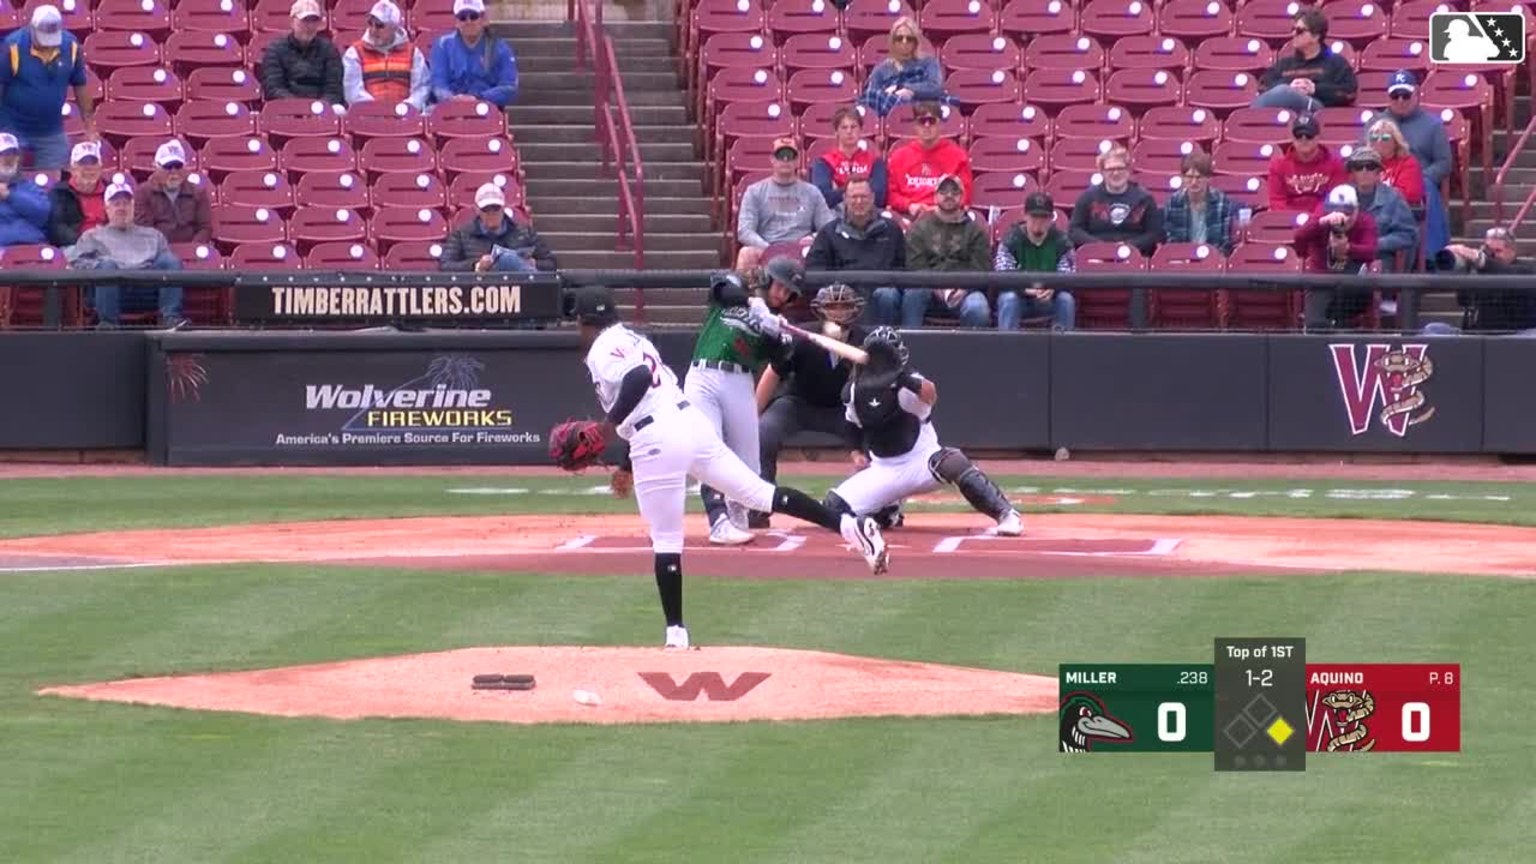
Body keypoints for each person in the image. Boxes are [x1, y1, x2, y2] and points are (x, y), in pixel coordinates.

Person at [570, 284, 888, 647]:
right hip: (689, 422)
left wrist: (605, 429)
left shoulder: (600, 349)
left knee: (667, 539)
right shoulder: (635, 339)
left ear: (583, 321)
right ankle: (851, 527)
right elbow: (651, 390)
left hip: (657, 439)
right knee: (757, 493)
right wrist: (624, 458)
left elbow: (639, 382)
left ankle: (676, 634)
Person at [823, 327, 1023, 536]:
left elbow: (930, 394)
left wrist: (899, 378)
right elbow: (851, 425)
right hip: (883, 470)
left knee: (954, 461)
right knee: (832, 508)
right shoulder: (854, 392)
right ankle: (887, 511)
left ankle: (1006, 514)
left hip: (921, 461)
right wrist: (856, 453)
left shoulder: (910, 384)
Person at [683, 262, 802, 545]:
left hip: (739, 381)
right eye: (780, 285)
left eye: (788, 292)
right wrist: (753, 304)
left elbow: (782, 364)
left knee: (749, 463)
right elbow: (721, 291)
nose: (782, 294)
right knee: (707, 448)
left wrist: (777, 336)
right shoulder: (735, 286)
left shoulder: (774, 322)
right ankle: (718, 520)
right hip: (704, 374)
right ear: (767, 278)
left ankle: (737, 516)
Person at [755, 283, 869, 529]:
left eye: (844, 306)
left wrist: (858, 446)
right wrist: (753, 415)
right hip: (798, 403)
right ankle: (759, 504)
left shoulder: (864, 341)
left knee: (877, 437)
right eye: (832, 307)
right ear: (820, 310)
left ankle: (875, 506)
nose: (838, 312)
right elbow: (773, 372)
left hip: (843, 410)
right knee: (764, 432)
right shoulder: (803, 338)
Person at [68, 181, 185, 329]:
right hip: (110, 289)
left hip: (146, 289)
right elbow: (76, 263)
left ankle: (171, 318)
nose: (122, 208)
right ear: (107, 208)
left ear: (133, 206)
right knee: (107, 266)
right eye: (116, 204)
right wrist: (101, 265)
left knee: (170, 260)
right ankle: (108, 323)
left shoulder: (153, 235)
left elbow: (167, 266)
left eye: (126, 203)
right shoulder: (92, 236)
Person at [0, 5, 96, 171]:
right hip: (13, 129)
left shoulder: (71, 46)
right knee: (9, 181)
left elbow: (80, 85)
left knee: (54, 183)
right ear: (32, 28)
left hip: (51, 130)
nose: (48, 44)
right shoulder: (12, 47)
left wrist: (89, 126)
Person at [805, 177, 905, 325]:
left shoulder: (892, 230)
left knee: (887, 295)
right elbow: (814, 269)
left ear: (872, 198)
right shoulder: (829, 232)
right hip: (843, 298)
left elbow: (903, 267)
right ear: (845, 199)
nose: (859, 202)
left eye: (863, 196)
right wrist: (837, 290)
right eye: (854, 197)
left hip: (883, 296)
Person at [897, 174, 992, 328]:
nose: (949, 196)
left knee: (978, 307)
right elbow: (915, 266)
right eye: (943, 192)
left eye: (955, 192)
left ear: (962, 197)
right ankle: (908, 348)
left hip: (964, 291)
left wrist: (964, 289)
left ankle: (972, 351)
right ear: (935, 197)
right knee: (914, 294)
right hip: (928, 289)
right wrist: (936, 288)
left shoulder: (975, 231)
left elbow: (981, 268)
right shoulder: (920, 228)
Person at [734, 136, 835, 271]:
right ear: (772, 159)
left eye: (790, 156)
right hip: (766, 247)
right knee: (746, 254)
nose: (786, 160)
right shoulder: (754, 191)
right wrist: (769, 248)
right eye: (781, 156)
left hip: (802, 250)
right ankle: (749, 293)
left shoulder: (812, 192)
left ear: (798, 160)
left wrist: (812, 238)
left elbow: (828, 227)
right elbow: (744, 231)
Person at [1295, 184, 1378, 331]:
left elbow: (1371, 251)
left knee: (1356, 298)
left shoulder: (1365, 221)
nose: (1343, 217)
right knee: (1316, 324)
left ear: (1357, 208)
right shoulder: (1322, 217)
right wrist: (1322, 222)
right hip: (1321, 278)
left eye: (1348, 212)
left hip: (1352, 281)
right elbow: (1299, 237)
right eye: (1337, 211)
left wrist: (1348, 248)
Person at [994, 192, 1077, 331]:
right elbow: (1002, 276)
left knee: (1066, 299)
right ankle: (1007, 348)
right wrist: (1026, 289)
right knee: (1008, 298)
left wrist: (1052, 289)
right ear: (1025, 215)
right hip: (1020, 299)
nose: (1039, 221)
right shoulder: (1010, 240)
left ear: (1051, 218)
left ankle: (1064, 349)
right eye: (1034, 216)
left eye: (1044, 217)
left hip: (1049, 299)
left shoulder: (1062, 242)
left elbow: (1067, 276)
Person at [1428, 228, 1536, 333]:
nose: (1493, 256)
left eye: (1498, 251)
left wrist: (1481, 259)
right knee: (1433, 328)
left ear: (1512, 250)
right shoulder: (1482, 271)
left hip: (1515, 335)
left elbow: (1506, 273)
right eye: (1489, 251)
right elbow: (1463, 300)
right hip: (1478, 334)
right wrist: (1467, 269)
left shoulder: (1526, 270)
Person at [1252, 7, 1357, 113]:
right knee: (1282, 91)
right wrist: (1290, 85)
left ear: (1315, 36)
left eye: (1299, 31)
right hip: (1282, 117)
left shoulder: (1336, 62)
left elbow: (1349, 93)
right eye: (1293, 29)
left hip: (1319, 115)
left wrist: (1314, 89)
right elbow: (1263, 87)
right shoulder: (1284, 64)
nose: (1293, 34)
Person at [439, 182, 556, 272]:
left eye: (495, 208)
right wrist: (476, 266)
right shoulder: (461, 235)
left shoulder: (525, 232)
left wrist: (532, 263)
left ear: (503, 207)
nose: (491, 214)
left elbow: (551, 263)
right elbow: (445, 266)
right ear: (477, 210)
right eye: (486, 210)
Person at [885, 101, 971, 220]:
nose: (927, 126)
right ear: (915, 125)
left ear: (940, 124)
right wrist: (909, 206)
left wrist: (941, 207)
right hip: (908, 215)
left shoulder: (958, 156)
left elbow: (964, 194)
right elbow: (891, 194)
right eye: (922, 121)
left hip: (946, 216)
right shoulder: (898, 157)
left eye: (931, 121)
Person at [342, 0, 431, 113]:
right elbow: (352, 91)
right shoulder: (355, 52)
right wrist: (376, 109)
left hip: (405, 114)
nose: (373, 30)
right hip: (367, 114)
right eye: (370, 23)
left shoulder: (413, 52)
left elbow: (421, 89)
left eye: (380, 26)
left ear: (394, 27)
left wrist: (405, 108)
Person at [430, 0, 520, 108]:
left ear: (482, 19)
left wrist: (478, 98)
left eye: (473, 16)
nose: (468, 21)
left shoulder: (500, 48)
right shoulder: (442, 45)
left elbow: (509, 86)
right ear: (456, 22)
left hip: (487, 108)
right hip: (450, 108)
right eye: (462, 17)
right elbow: (438, 84)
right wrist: (453, 99)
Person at [1344, 147, 1416, 272]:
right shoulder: (1341, 195)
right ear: (1353, 172)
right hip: (1345, 257)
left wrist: (1375, 244)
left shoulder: (1393, 197)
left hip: (1379, 257)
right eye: (1359, 167)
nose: (1364, 171)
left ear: (1378, 172)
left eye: (1370, 167)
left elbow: (1407, 235)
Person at [260, 0, 346, 105]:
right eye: (305, 21)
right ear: (292, 22)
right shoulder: (275, 50)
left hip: (322, 109)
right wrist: (299, 107)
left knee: (338, 110)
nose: (310, 26)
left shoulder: (329, 50)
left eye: (314, 21)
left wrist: (319, 107)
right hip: (287, 109)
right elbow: (273, 88)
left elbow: (333, 89)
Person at [858, 17, 944, 117]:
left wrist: (907, 89)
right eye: (899, 38)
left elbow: (935, 88)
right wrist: (892, 94)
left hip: (921, 108)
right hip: (890, 110)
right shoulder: (881, 69)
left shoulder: (929, 62)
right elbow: (872, 97)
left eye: (909, 39)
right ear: (893, 42)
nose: (904, 42)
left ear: (916, 42)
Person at [133, 141, 214, 245]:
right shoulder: (143, 193)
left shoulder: (198, 192)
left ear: (185, 167)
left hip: (191, 253)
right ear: (156, 167)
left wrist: (192, 249)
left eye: (178, 166)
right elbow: (144, 229)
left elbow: (205, 228)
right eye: (168, 166)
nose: (173, 171)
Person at [809, 106, 887, 210]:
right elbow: (823, 198)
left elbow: (880, 197)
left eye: (853, 127)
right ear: (836, 132)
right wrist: (865, 189)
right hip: (835, 214)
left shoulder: (874, 161)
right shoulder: (824, 163)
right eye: (844, 127)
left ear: (861, 130)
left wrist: (839, 189)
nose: (849, 131)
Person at [1266, 113, 1347, 214]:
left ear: (1318, 137)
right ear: (1292, 138)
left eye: (1309, 136)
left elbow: (1334, 198)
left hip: (1323, 220)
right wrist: (1292, 219)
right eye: (1298, 135)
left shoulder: (1335, 164)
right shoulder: (1278, 165)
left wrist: (1313, 220)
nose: (1303, 139)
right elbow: (1277, 200)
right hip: (1287, 222)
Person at [1161, 152, 1235, 255]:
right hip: (1182, 261)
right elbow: (1170, 239)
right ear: (1183, 178)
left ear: (1208, 178)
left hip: (1213, 260)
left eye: (1199, 177)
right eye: (1189, 177)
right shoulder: (1174, 202)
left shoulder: (1221, 202)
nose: (1194, 182)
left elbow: (1225, 242)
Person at [45, 140, 106, 247]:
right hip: (74, 247)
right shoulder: (59, 193)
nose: (88, 169)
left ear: (100, 168)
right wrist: (84, 242)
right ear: (72, 169)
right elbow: (57, 229)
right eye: (82, 164)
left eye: (93, 163)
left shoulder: (111, 191)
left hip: (109, 245)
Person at [0, 132, 50, 248]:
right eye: (3, 154)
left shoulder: (30, 187)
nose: (9, 159)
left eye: (13, 154)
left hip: (33, 246)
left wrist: (9, 196)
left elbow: (42, 215)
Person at [1364, 117, 1425, 209]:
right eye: (1374, 138)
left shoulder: (1408, 163)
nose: (1379, 141)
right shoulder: (1364, 163)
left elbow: (1410, 195)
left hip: (1398, 212)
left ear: (1396, 142)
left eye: (1385, 138)